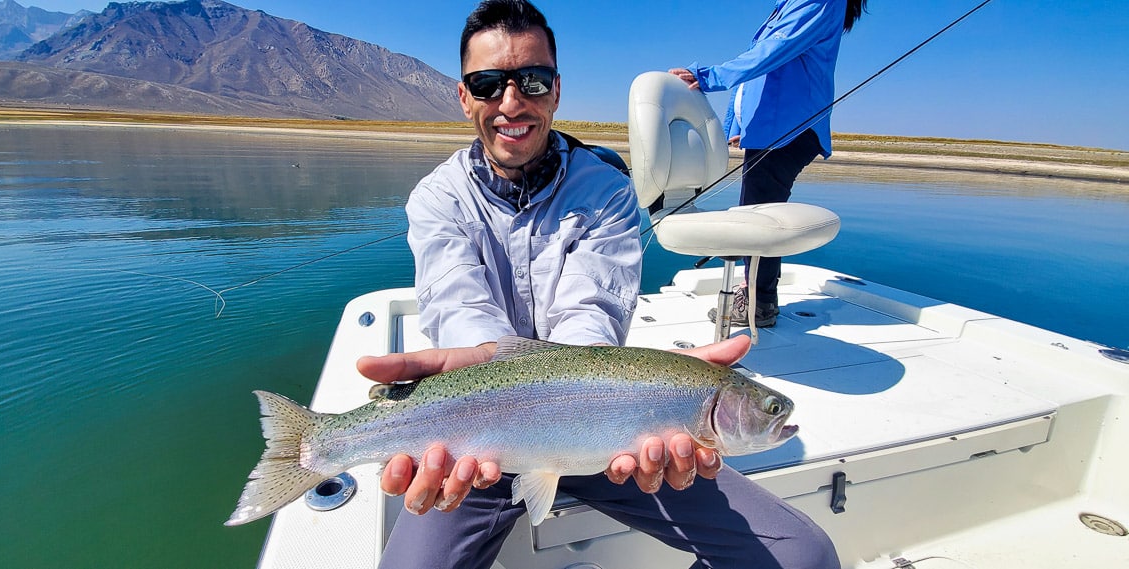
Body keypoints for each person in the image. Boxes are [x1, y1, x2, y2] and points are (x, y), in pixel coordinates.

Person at [357, 1, 839, 568]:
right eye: (489, 84)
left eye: (532, 82)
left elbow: (591, 314)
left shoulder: (608, 192)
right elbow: (458, 303)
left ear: (556, 91)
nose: (512, 102)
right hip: (476, 444)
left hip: (608, 435)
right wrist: (492, 366)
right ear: (465, 98)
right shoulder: (436, 198)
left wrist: (634, 392)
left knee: (802, 557)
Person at [670, 0, 867, 328]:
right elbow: (759, 67)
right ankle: (756, 295)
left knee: (759, 217)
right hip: (772, 129)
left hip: (790, 129)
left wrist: (708, 76)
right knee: (756, 211)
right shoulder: (790, 4)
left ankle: (759, 306)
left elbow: (775, 50)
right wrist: (738, 125)